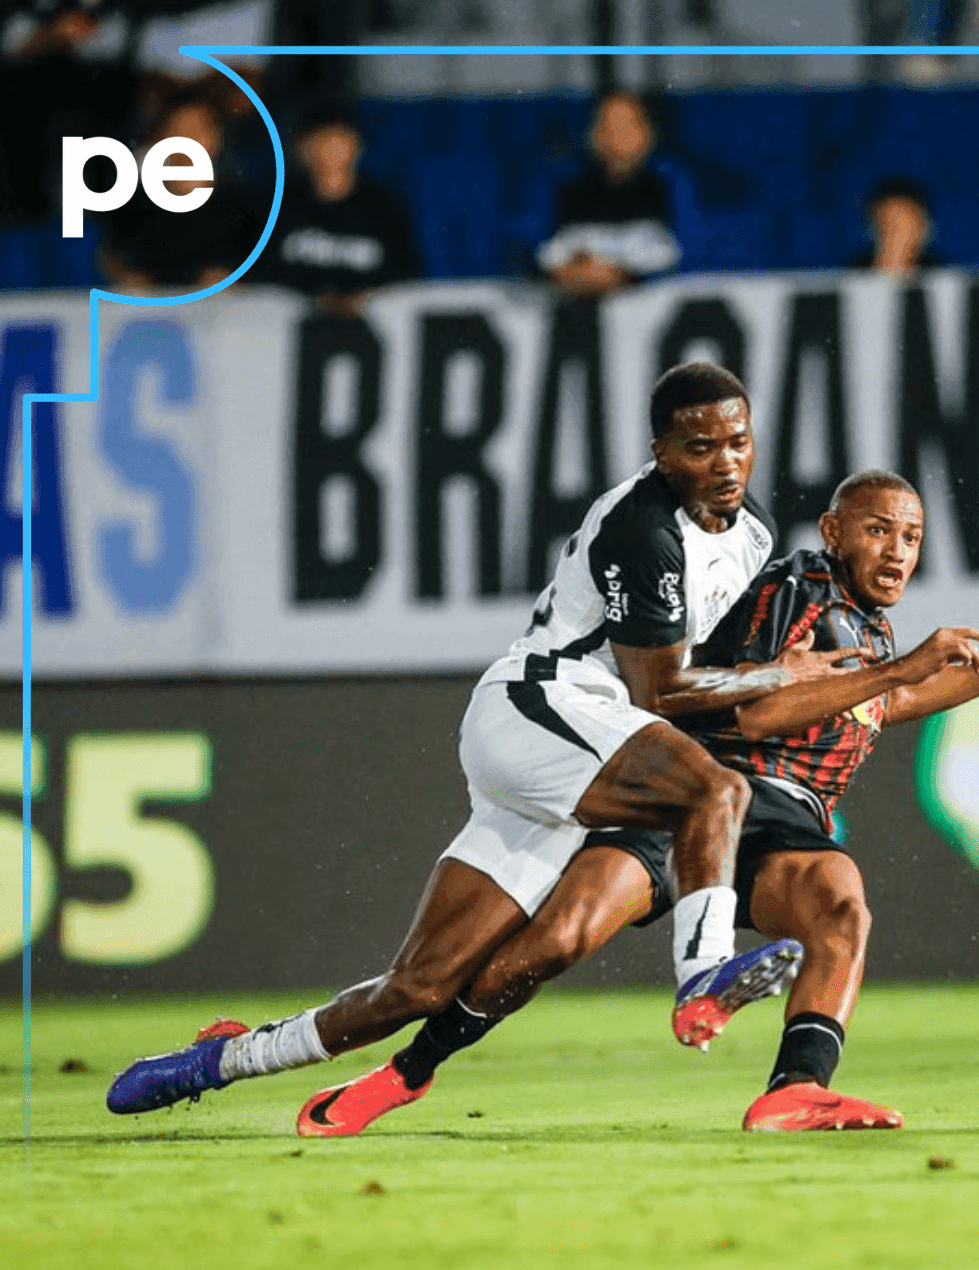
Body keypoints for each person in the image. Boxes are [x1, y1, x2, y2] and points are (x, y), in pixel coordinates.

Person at [106, 362, 848, 1118]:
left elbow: (703, 687)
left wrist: (788, 683)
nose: (724, 462)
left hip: (593, 752)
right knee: (715, 791)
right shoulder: (644, 527)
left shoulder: (751, 534)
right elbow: (659, 691)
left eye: (737, 442)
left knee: (419, 986)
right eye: (700, 448)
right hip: (542, 707)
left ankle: (221, 1058)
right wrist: (773, 680)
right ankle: (703, 978)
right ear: (660, 452)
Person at [278, 471, 979, 1137]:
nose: (897, 549)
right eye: (878, 528)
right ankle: (404, 1074)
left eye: (912, 536)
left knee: (840, 910)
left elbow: (884, 706)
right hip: (700, 797)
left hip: (788, 820)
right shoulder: (796, 587)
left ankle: (795, 1093)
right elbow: (754, 711)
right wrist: (892, 672)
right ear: (832, 531)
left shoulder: (873, 630)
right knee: (558, 938)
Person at [253, 100, 422, 314]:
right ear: (301, 148)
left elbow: (408, 272)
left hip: (371, 326)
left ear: (357, 144)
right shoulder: (275, 203)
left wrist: (363, 295)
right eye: (320, 139)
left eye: (339, 138)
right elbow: (262, 272)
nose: (331, 149)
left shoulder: (385, 205)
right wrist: (315, 296)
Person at [99, 92, 261, 292]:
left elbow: (260, 269)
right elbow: (112, 256)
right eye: (179, 132)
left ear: (217, 138)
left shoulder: (243, 207)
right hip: (146, 316)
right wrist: (126, 276)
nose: (188, 141)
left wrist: (233, 278)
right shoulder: (134, 204)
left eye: (197, 131)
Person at [538, 91, 683, 298]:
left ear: (647, 132)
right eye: (607, 126)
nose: (615, 137)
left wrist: (625, 276)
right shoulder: (566, 187)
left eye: (626, 126)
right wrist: (565, 273)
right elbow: (536, 251)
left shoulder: (671, 184)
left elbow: (687, 254)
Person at [849, 177, 942, 276]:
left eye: (904, 226)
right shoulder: (848, 276)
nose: (896, 236)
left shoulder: (943, 277)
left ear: (923, 229)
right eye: (888, 226)